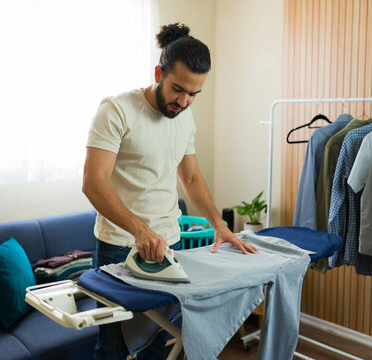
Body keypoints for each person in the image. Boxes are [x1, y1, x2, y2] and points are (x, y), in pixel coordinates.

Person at [82, 22, 257, 360]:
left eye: (194, 94)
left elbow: (191, 178)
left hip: (170, 243)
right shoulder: (116, 111)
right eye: (178, 89)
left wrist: (220, 226)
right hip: (121, 246)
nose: (185, 100)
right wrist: (140, 230)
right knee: (114, 348)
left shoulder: (185, 117)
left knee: (156, 344)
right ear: (159, 72)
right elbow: (92, 182)